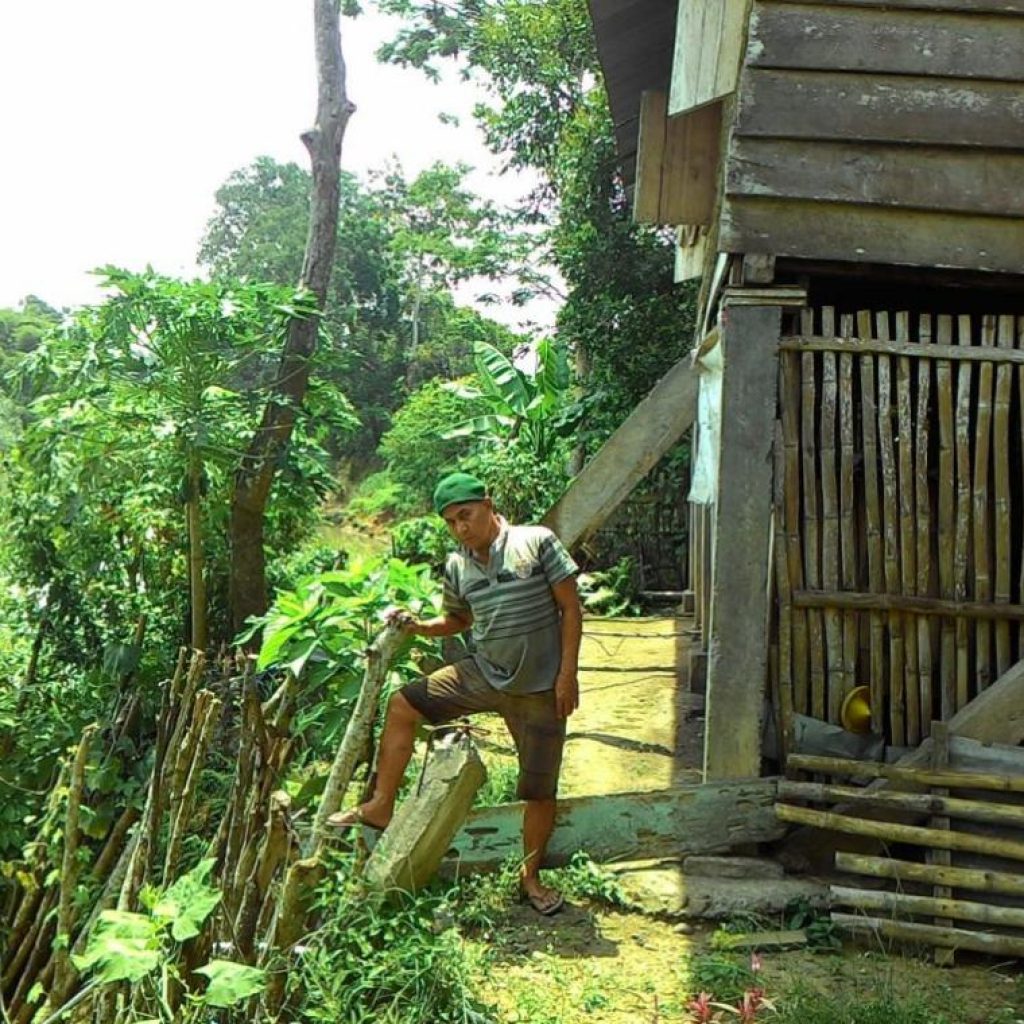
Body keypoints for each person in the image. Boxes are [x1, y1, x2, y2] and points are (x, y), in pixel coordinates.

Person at [329, 471, 583, 915]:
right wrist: (419, 625)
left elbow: (570, 608)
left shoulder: (536, 542)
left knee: (539, 789)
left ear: (488, 504)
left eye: (466, 515)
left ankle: (530, 878)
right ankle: (382, 805)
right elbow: (458, 621)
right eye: (451, 522)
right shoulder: (457, 565)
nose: (461, 528)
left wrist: (567, 676)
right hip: (484, 674)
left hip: (541, 688)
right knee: (403, 703)